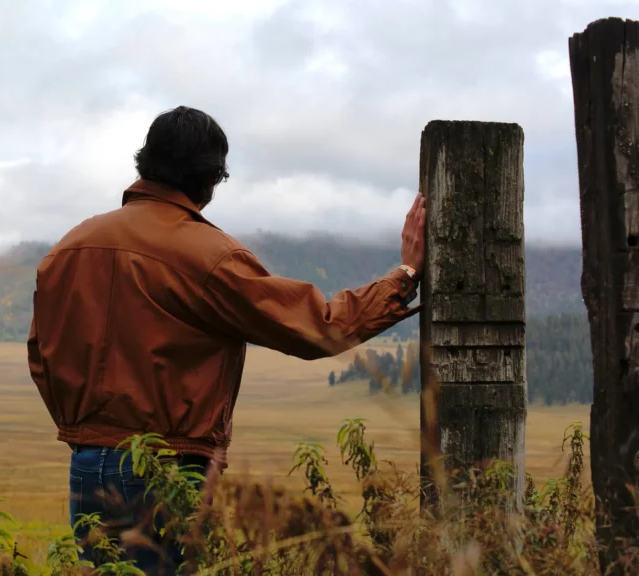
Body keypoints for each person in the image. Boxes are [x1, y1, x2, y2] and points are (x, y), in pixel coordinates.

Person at [27, 106, 425, 574]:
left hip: (87, 463)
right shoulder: (209, 256)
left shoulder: (70, 247)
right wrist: (405, 274)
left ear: (145, 163)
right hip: (165, 468)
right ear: (210, 178)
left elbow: (42, 354)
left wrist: (87, 429)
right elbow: (319, 327)